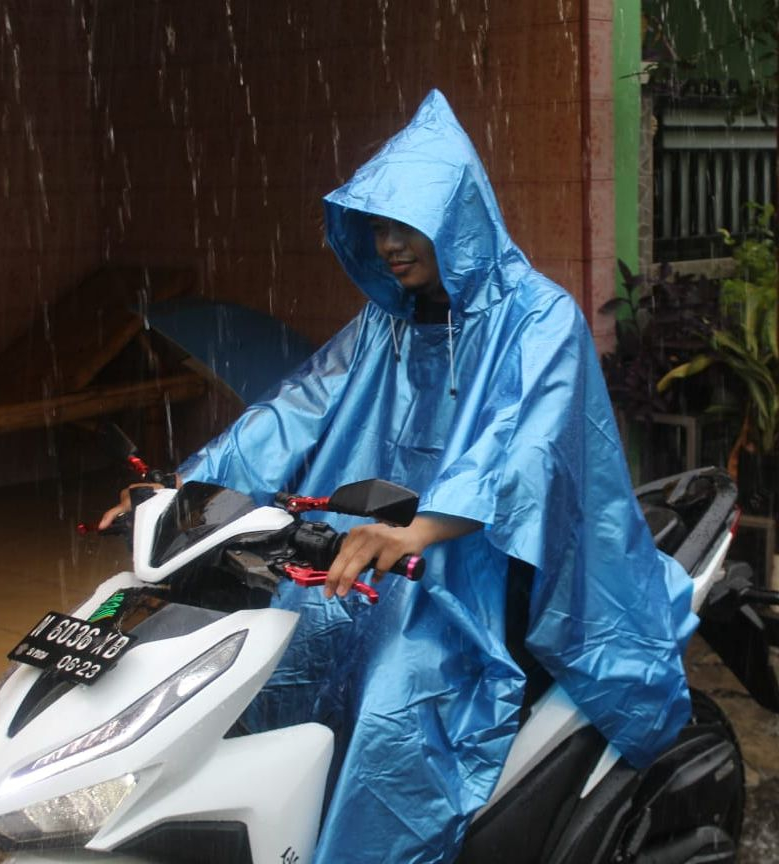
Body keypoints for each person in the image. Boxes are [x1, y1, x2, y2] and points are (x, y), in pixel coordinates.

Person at [101, 90, 697, 863]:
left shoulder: (539, 317)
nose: (388, 245)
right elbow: (295, 411)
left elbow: (522, 450)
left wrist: (422, 527)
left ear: (457, 219)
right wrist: (185, 489)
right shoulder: (388, 322)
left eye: (406, 225)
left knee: (398, 703)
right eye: (377, 227)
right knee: (286, 649)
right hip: (370, 549)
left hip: (492, 564)